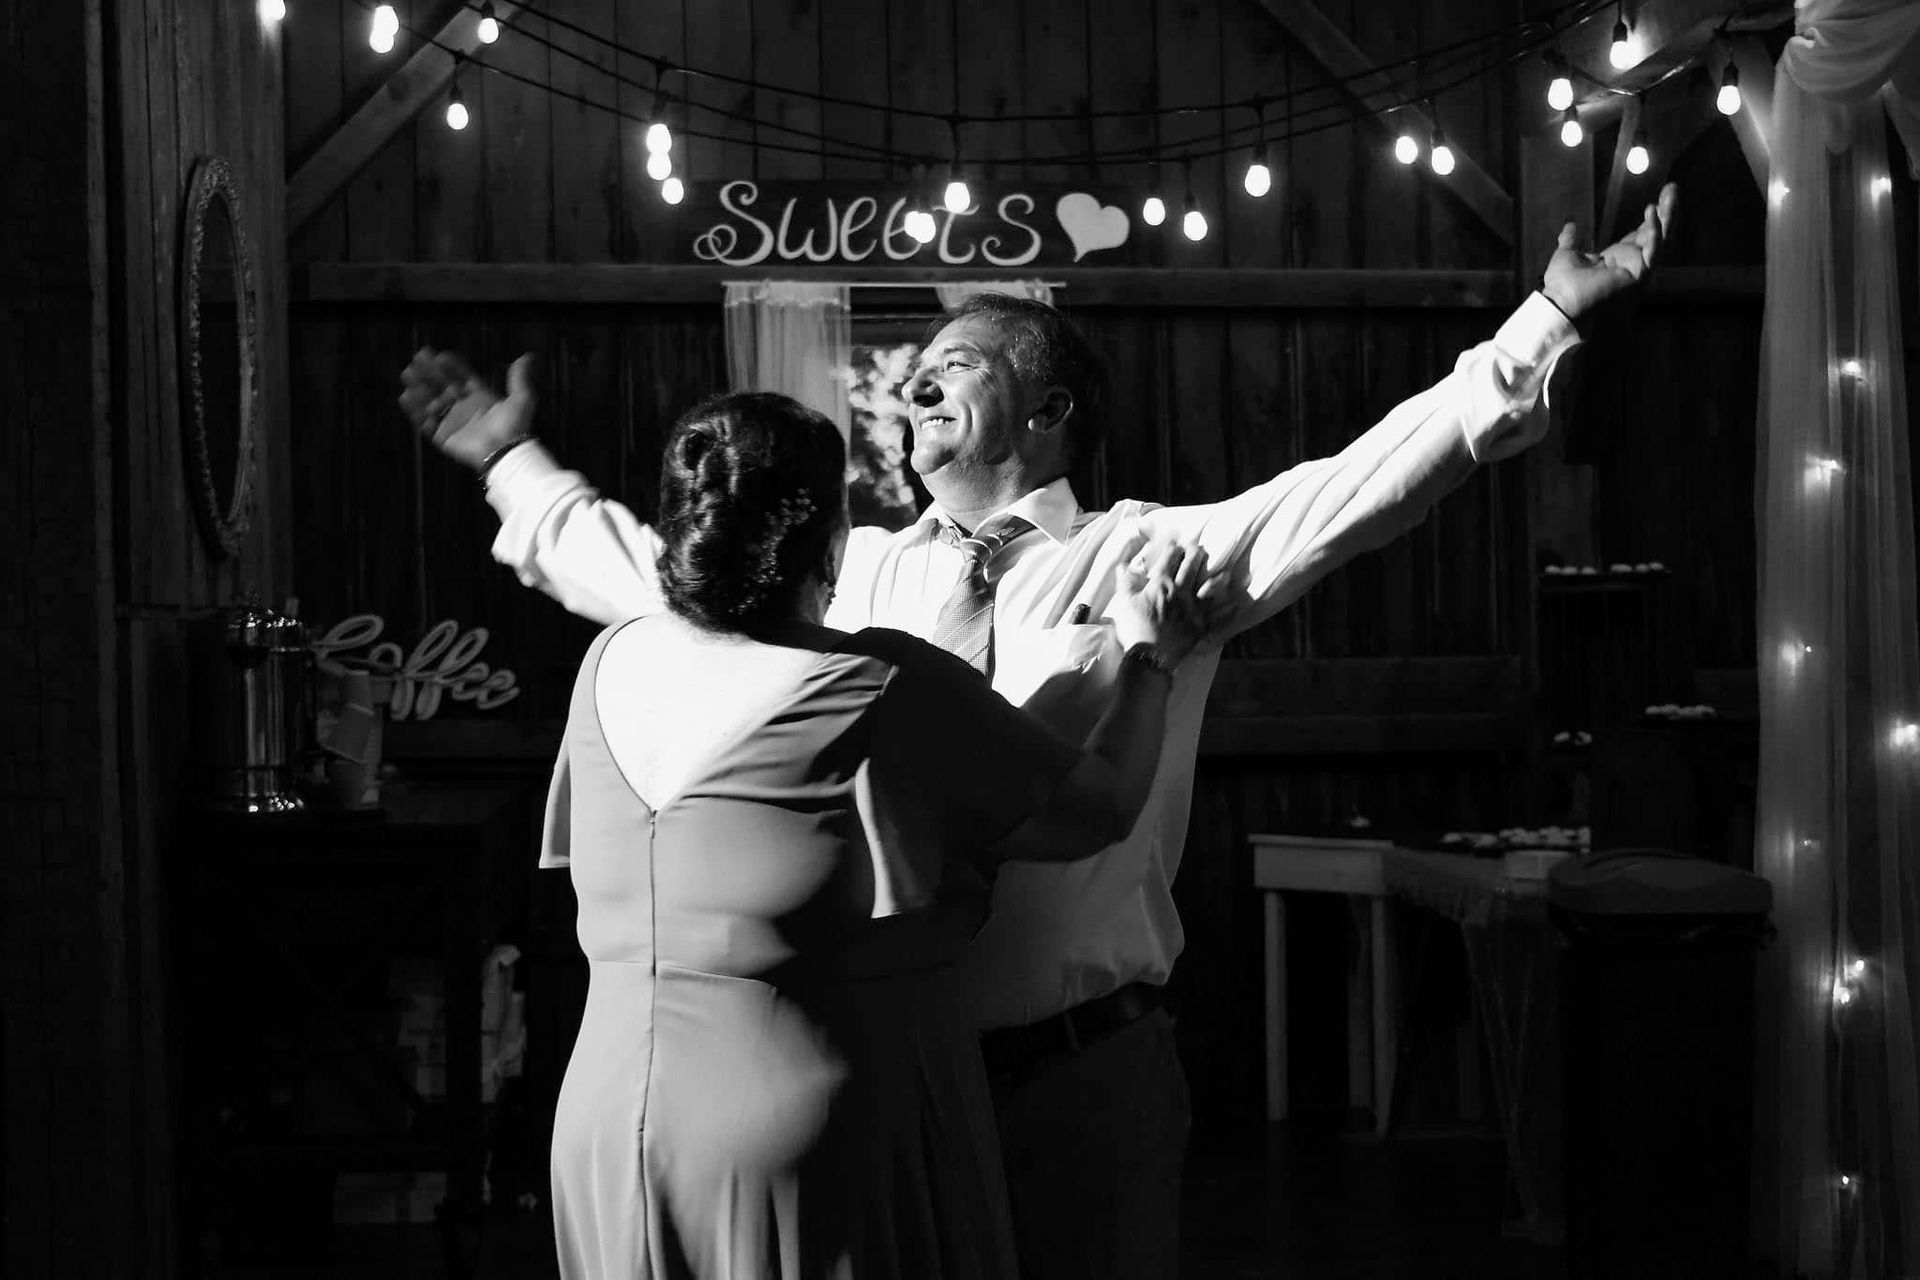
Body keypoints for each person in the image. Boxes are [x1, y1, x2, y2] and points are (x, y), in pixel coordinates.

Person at [400, 187, 1677, 1280]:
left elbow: (1361, 484)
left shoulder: (1153, 558)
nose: (916, 385)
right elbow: (647, 578)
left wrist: (1544, 321)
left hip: (1083, 1077)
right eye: (915, 378)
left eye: (956, 362)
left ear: (1051, 405)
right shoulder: (847, 581)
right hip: (882, 1084)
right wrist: (515, 465)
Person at [537, 389, 1224, 1279]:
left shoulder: (609, 661)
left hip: (604, 1128)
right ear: (827, 540)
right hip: (802, 1142)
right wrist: (1148, 660)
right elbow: (1099, 808)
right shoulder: (878, 684)